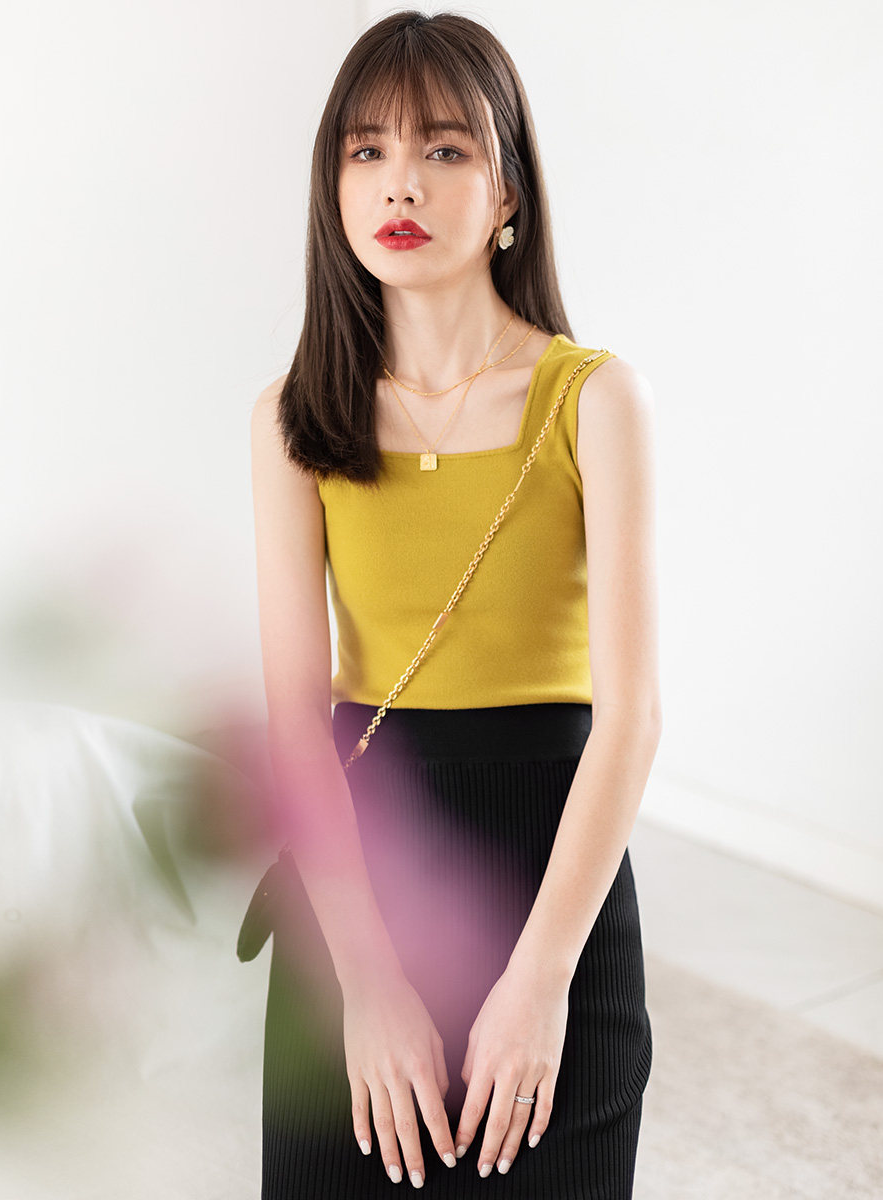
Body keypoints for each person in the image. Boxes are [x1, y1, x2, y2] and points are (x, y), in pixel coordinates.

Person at [243, 10, 661, 1197]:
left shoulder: (594, 399)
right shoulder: (294, 418)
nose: (401, 183)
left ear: (508, 190)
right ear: (333, 185)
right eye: (367, 150)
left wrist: (541, 980)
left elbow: (630, 719)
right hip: (364, 868)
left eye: (444, 148)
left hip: (552, 863)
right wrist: (368, 985)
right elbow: (294, 721)